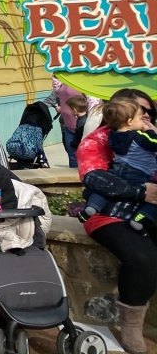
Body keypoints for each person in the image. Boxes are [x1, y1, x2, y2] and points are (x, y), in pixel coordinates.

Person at [76, 90, 157, 354]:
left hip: (149, 212)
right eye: (139, 111)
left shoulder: (150, 136)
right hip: (110, 214)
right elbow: (94, 179)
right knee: (142, 256)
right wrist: (140, 191)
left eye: (149, 111)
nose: (145, 116)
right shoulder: (97, 140)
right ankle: (131, 327)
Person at [82, 99, 157, 229]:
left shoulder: (113, 135)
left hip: (118, 170)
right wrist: (151, 132)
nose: (145, 117)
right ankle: (142, 218)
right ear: (129, 121)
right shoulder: (138, 136)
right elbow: (154, 143)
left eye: (149, 112)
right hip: (139, 173)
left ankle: (92, 206)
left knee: (103, 191)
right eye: (141, 116)